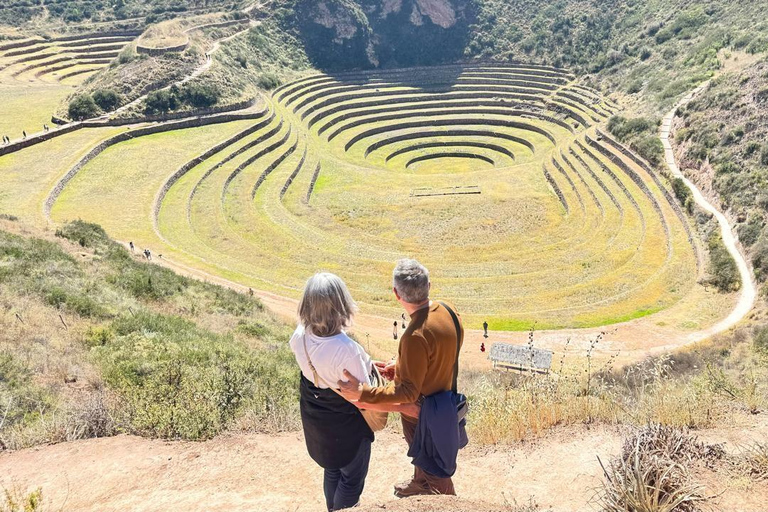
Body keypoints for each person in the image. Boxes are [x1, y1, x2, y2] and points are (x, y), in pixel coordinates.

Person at [289, 273, 417, 512]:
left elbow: (325, 368)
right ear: (340, 305)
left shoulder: (299, 336)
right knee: (351, 479)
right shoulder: (346, 348)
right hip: (345, 425)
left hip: (317, 419)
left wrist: (367, 362)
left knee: (332, 468)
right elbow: (363, 388)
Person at [339, 259, 464, 497]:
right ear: (429, 285)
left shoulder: (415, 335)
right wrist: (404, 366)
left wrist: (362, 392)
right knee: (422, 456)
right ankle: (420, 484)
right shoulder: (449, 310)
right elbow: (445, 351)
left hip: (424, 414)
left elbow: (407, 393)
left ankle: (447, 502)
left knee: (437, 470)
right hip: (444, 402)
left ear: (396, 294)